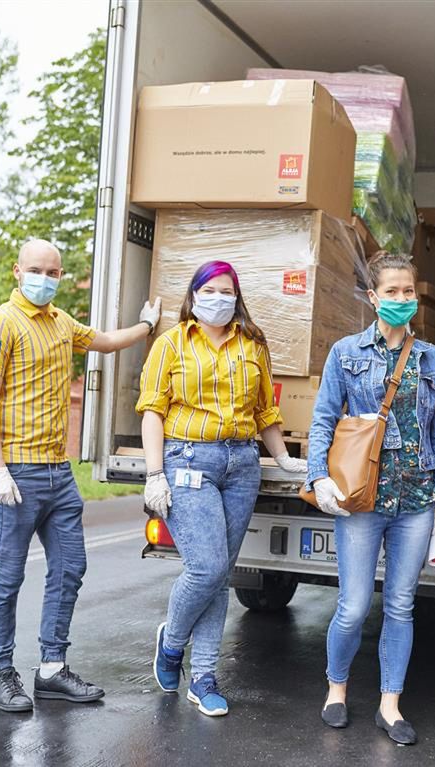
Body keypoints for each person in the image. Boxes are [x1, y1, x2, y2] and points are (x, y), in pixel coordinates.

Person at [0, 238, 161, 713]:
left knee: (70, 567)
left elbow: (105, 341)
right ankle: (2, 674)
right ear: (17, 271)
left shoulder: (61, 323)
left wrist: (146, 325)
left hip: (58, 472)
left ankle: (52, 669)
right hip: (14, 472)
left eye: (53, 272)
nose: (45, 278)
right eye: (36, 269)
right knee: (5, 577)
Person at [137, 260, 307, 717]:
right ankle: (172, 644)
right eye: (209, 290)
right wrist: (155, 474)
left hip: (243, 463)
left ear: (238, 296)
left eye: (227, 290)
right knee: (207, 568)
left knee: (222, 574)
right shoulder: (171, 344)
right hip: (188, 459)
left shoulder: (252, 343)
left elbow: (264, 411)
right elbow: (152, 410)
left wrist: (284, 456)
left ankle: (205, 676)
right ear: (193, 296)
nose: (219, 297)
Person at [305, 251, 435, 745]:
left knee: (400, 606)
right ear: (373, 298)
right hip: (361, 498)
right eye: (391, 291)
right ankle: (336, 690)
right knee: (351, 606)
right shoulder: (346, 353)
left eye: (408, 291)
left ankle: (390, 705)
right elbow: (324, 418)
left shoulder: (432, 358)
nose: (401, 299)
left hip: (416, 498)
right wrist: (318, 477)